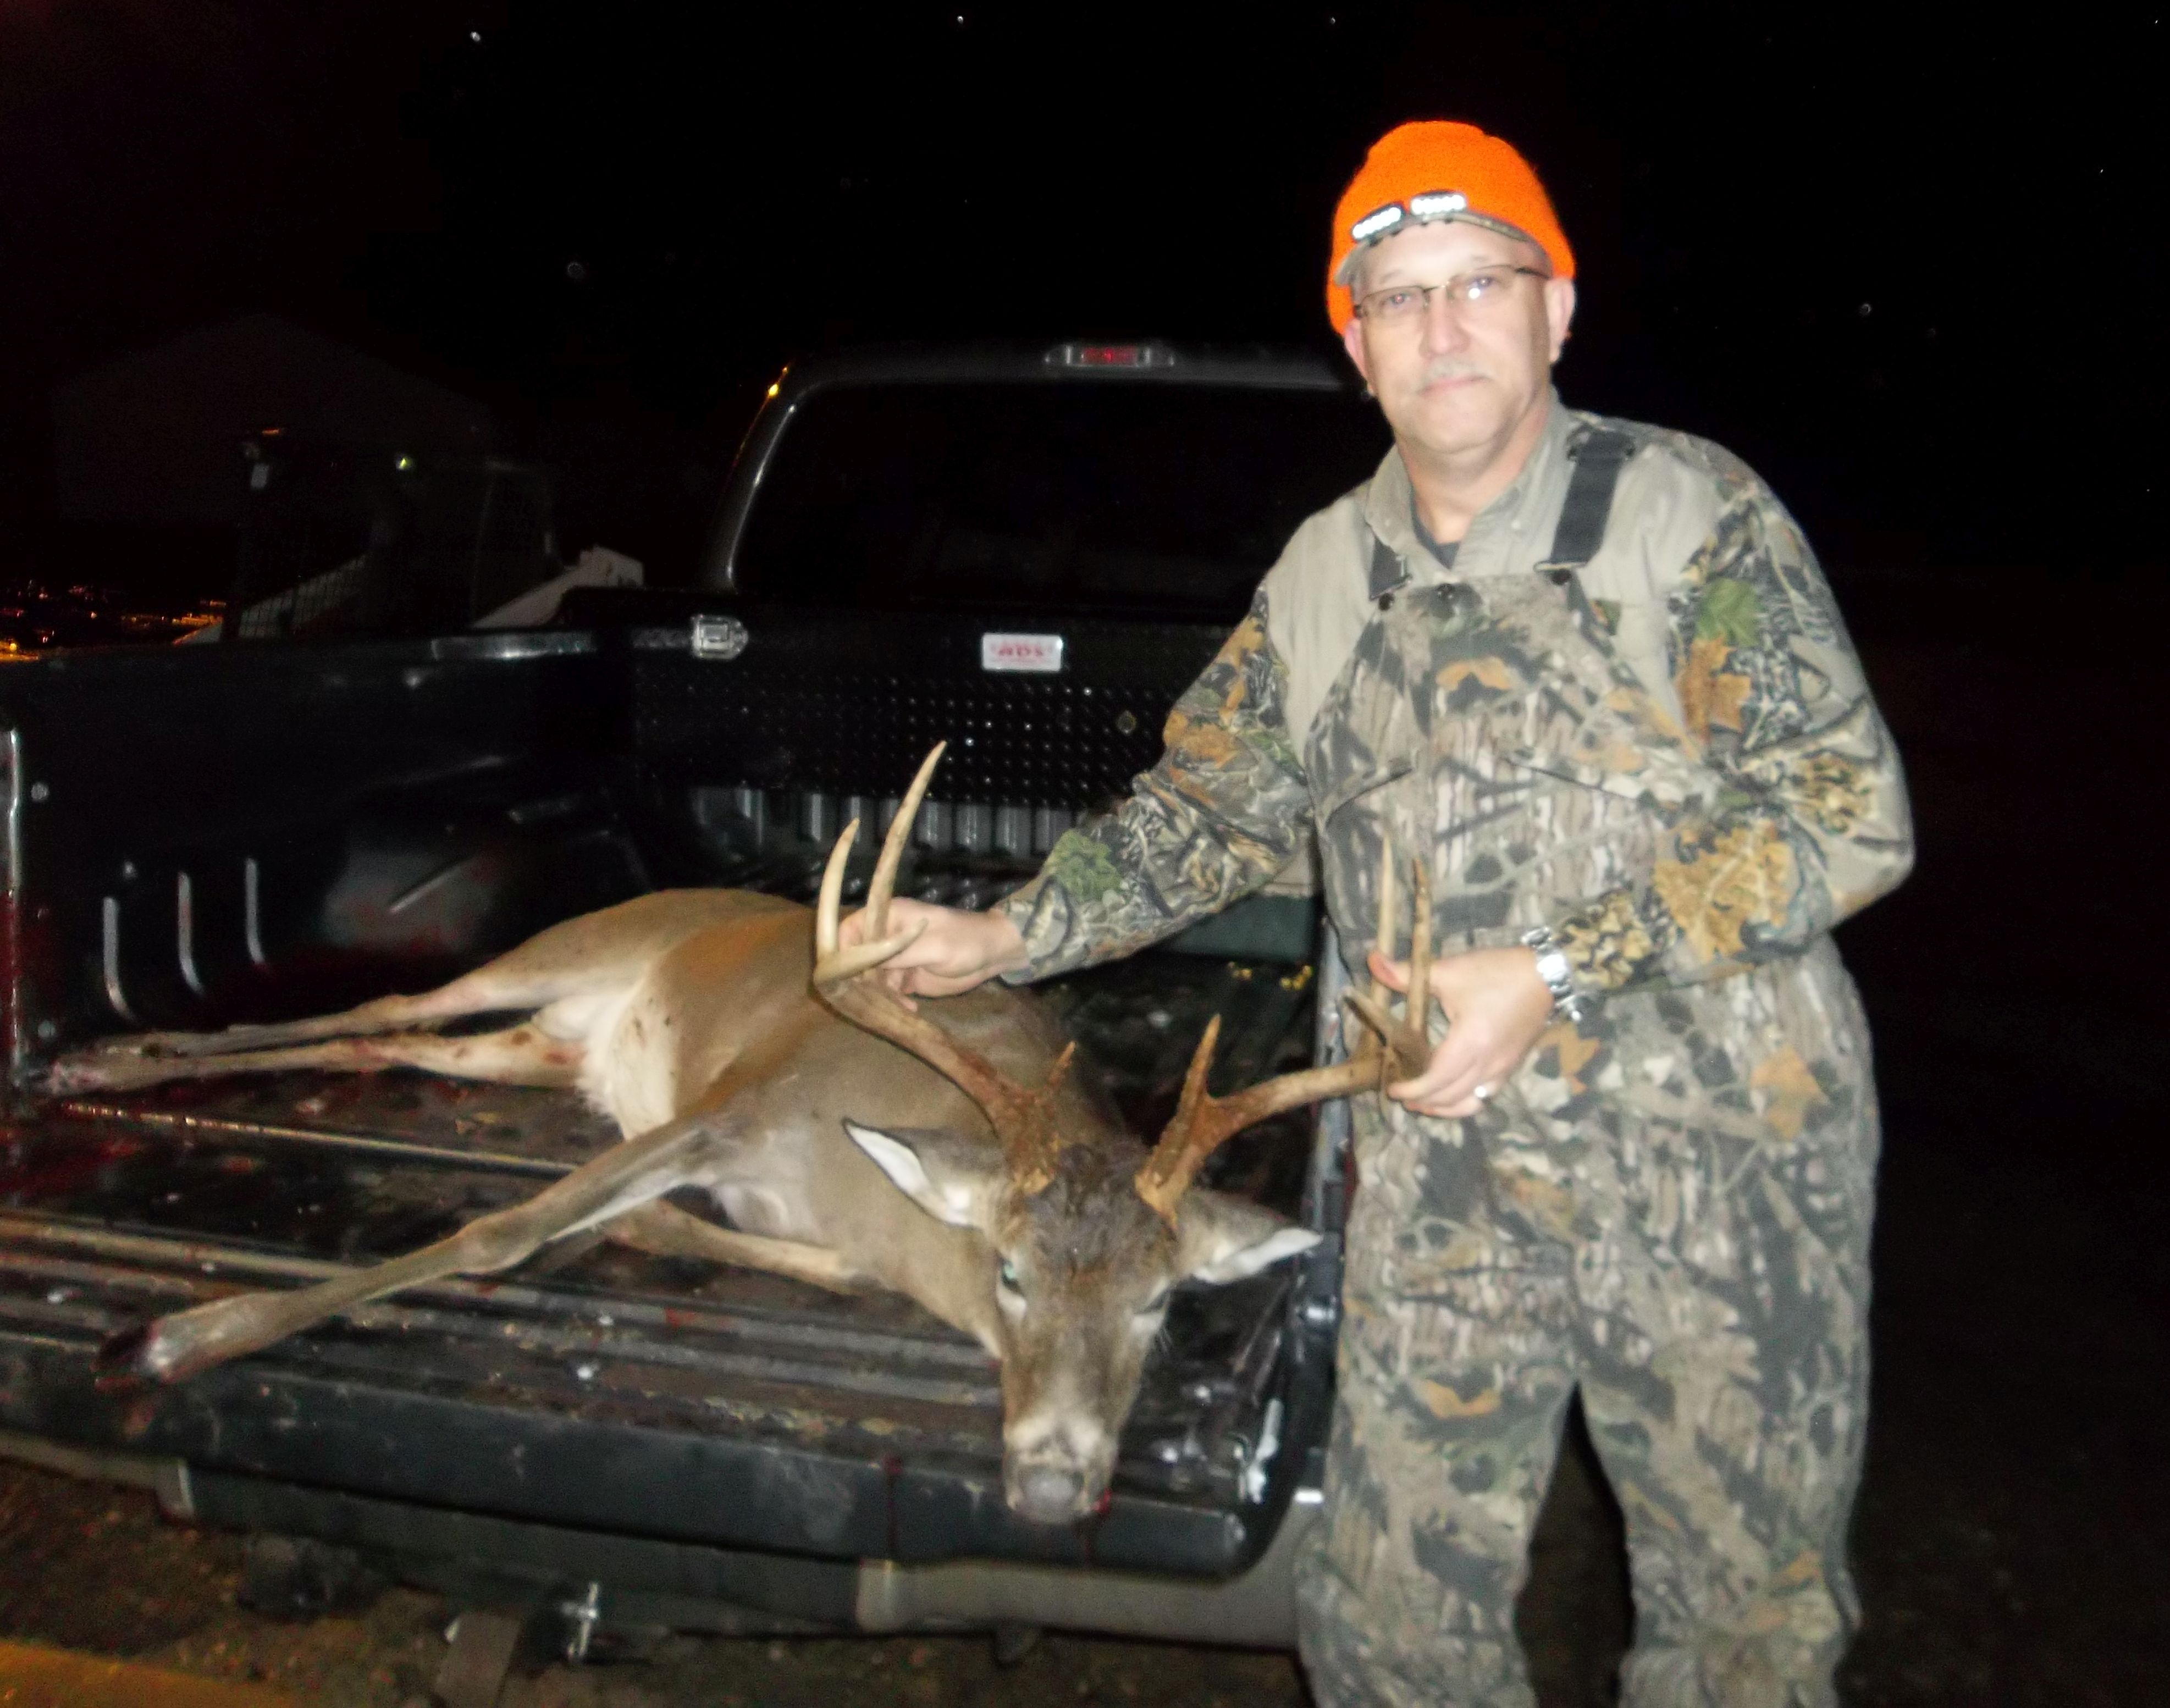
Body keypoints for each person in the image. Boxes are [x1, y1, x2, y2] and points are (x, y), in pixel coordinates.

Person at [848, 119, 1913, 1707]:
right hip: (1442, 1187)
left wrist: (1554, 968)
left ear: (1557, 307)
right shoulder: (1323, 575)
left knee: (1737, 1634)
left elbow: (1844, 811)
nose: (1442, 327)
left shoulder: (1687, 514)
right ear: (1355, 344)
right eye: (1398, 296)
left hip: (1726, 1181)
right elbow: (1206, 816)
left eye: (1482, 282)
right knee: (1388, 1627)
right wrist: (1010, 935)